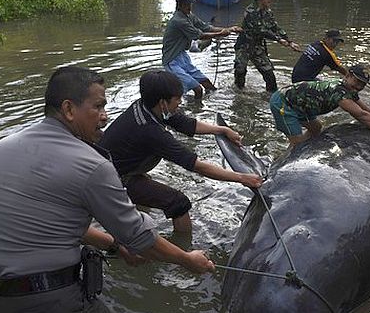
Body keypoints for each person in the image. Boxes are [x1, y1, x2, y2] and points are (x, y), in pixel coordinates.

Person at [0, 66, 214, 313]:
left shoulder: (0, 149)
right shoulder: (92, 164)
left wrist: (111, 244)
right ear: (69, 109)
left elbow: (54, 222)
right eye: (98, 106)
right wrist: (189, 260)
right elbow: (141, 238)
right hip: (48, 312)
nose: (105, 115)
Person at [99, 70, 262, 234]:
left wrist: (222, 130)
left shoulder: (147, 106)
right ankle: (184, 251)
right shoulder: (151, 131)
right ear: (163, 102)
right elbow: (196, 165)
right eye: (178, 99)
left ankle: (138, 225)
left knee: (145, 190)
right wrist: (241, 178)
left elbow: (186, 124)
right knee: (178, 203)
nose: (180, 102)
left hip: (114, 168)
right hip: (111, 180)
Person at [269, 64, 370, 147]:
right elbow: (361, 115)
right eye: (357, 81)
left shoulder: (348, 89)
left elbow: (367, 109)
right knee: (297, 144)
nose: (358, 87)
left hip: (301, 104)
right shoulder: (339, 92)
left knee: (316, 129)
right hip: (283, 102)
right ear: (347, 75)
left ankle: (299, 148)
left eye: (362, 84)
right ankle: (280, 162)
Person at [162, 0, 241, 100]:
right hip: (172, 60)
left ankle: (205, 105)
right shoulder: (179, 21)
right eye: (186, 5)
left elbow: (206, 27)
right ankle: (194, 111)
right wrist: (220, 34)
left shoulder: (189, 16)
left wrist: (229, 29)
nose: (189, 7)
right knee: (198, 89)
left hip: (182, 56)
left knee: (207, 83)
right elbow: (199, 35)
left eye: (190, 4)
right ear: (180, 5)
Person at [234, 0, 300, 92]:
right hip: (244, 45)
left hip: (257, 46)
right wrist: (278, 40)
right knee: (240, 70)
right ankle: (238, 93)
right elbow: (261, 30)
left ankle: (271, 96)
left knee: (269, 74)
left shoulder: (268, 12)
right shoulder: (250, 11)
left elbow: (275, 27)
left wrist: (289, 41)